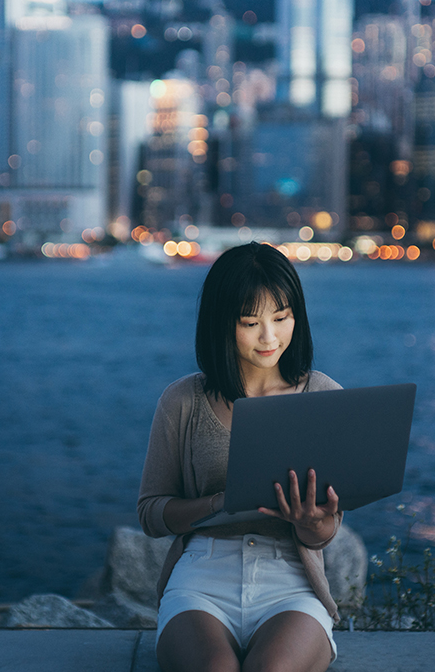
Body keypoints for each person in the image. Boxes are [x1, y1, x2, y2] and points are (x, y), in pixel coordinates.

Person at [137, 242, 342, 672]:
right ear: (220, 323)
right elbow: (151, 514)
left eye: (282, 318)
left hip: (291, 579)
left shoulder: (323, 396)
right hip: (201, 577)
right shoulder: (183, 401)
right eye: (250, 322)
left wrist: (311, 523)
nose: (269, 337)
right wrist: (218, 504)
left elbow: (325, 531)